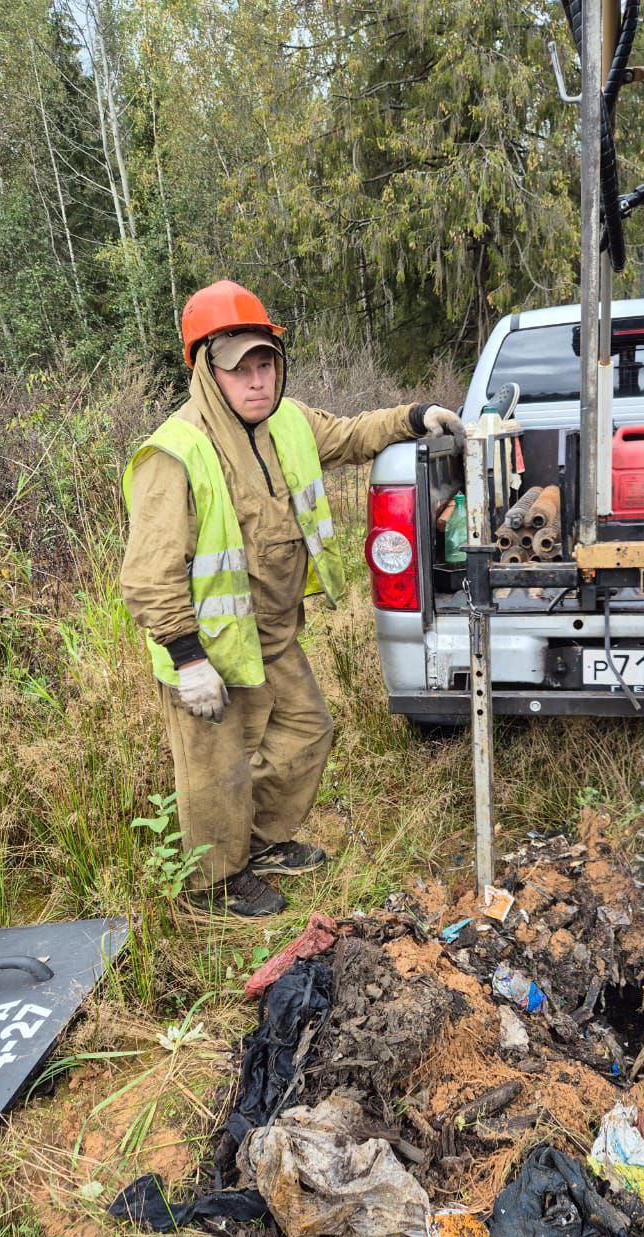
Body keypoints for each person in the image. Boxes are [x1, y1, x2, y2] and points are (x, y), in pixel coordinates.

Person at [121, 280, 463, 916]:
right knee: (216, 769)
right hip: (209, 646)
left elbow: (350, 435)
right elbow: (147, 573)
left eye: (266, 364)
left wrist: (415, 417)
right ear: (205, 370)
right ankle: (215, 885)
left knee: (307, 731)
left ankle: (261, 841)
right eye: (239, 369)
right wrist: (188, 659)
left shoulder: (289, 420)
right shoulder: (175, 452)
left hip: (273, 631)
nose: (257, 381)